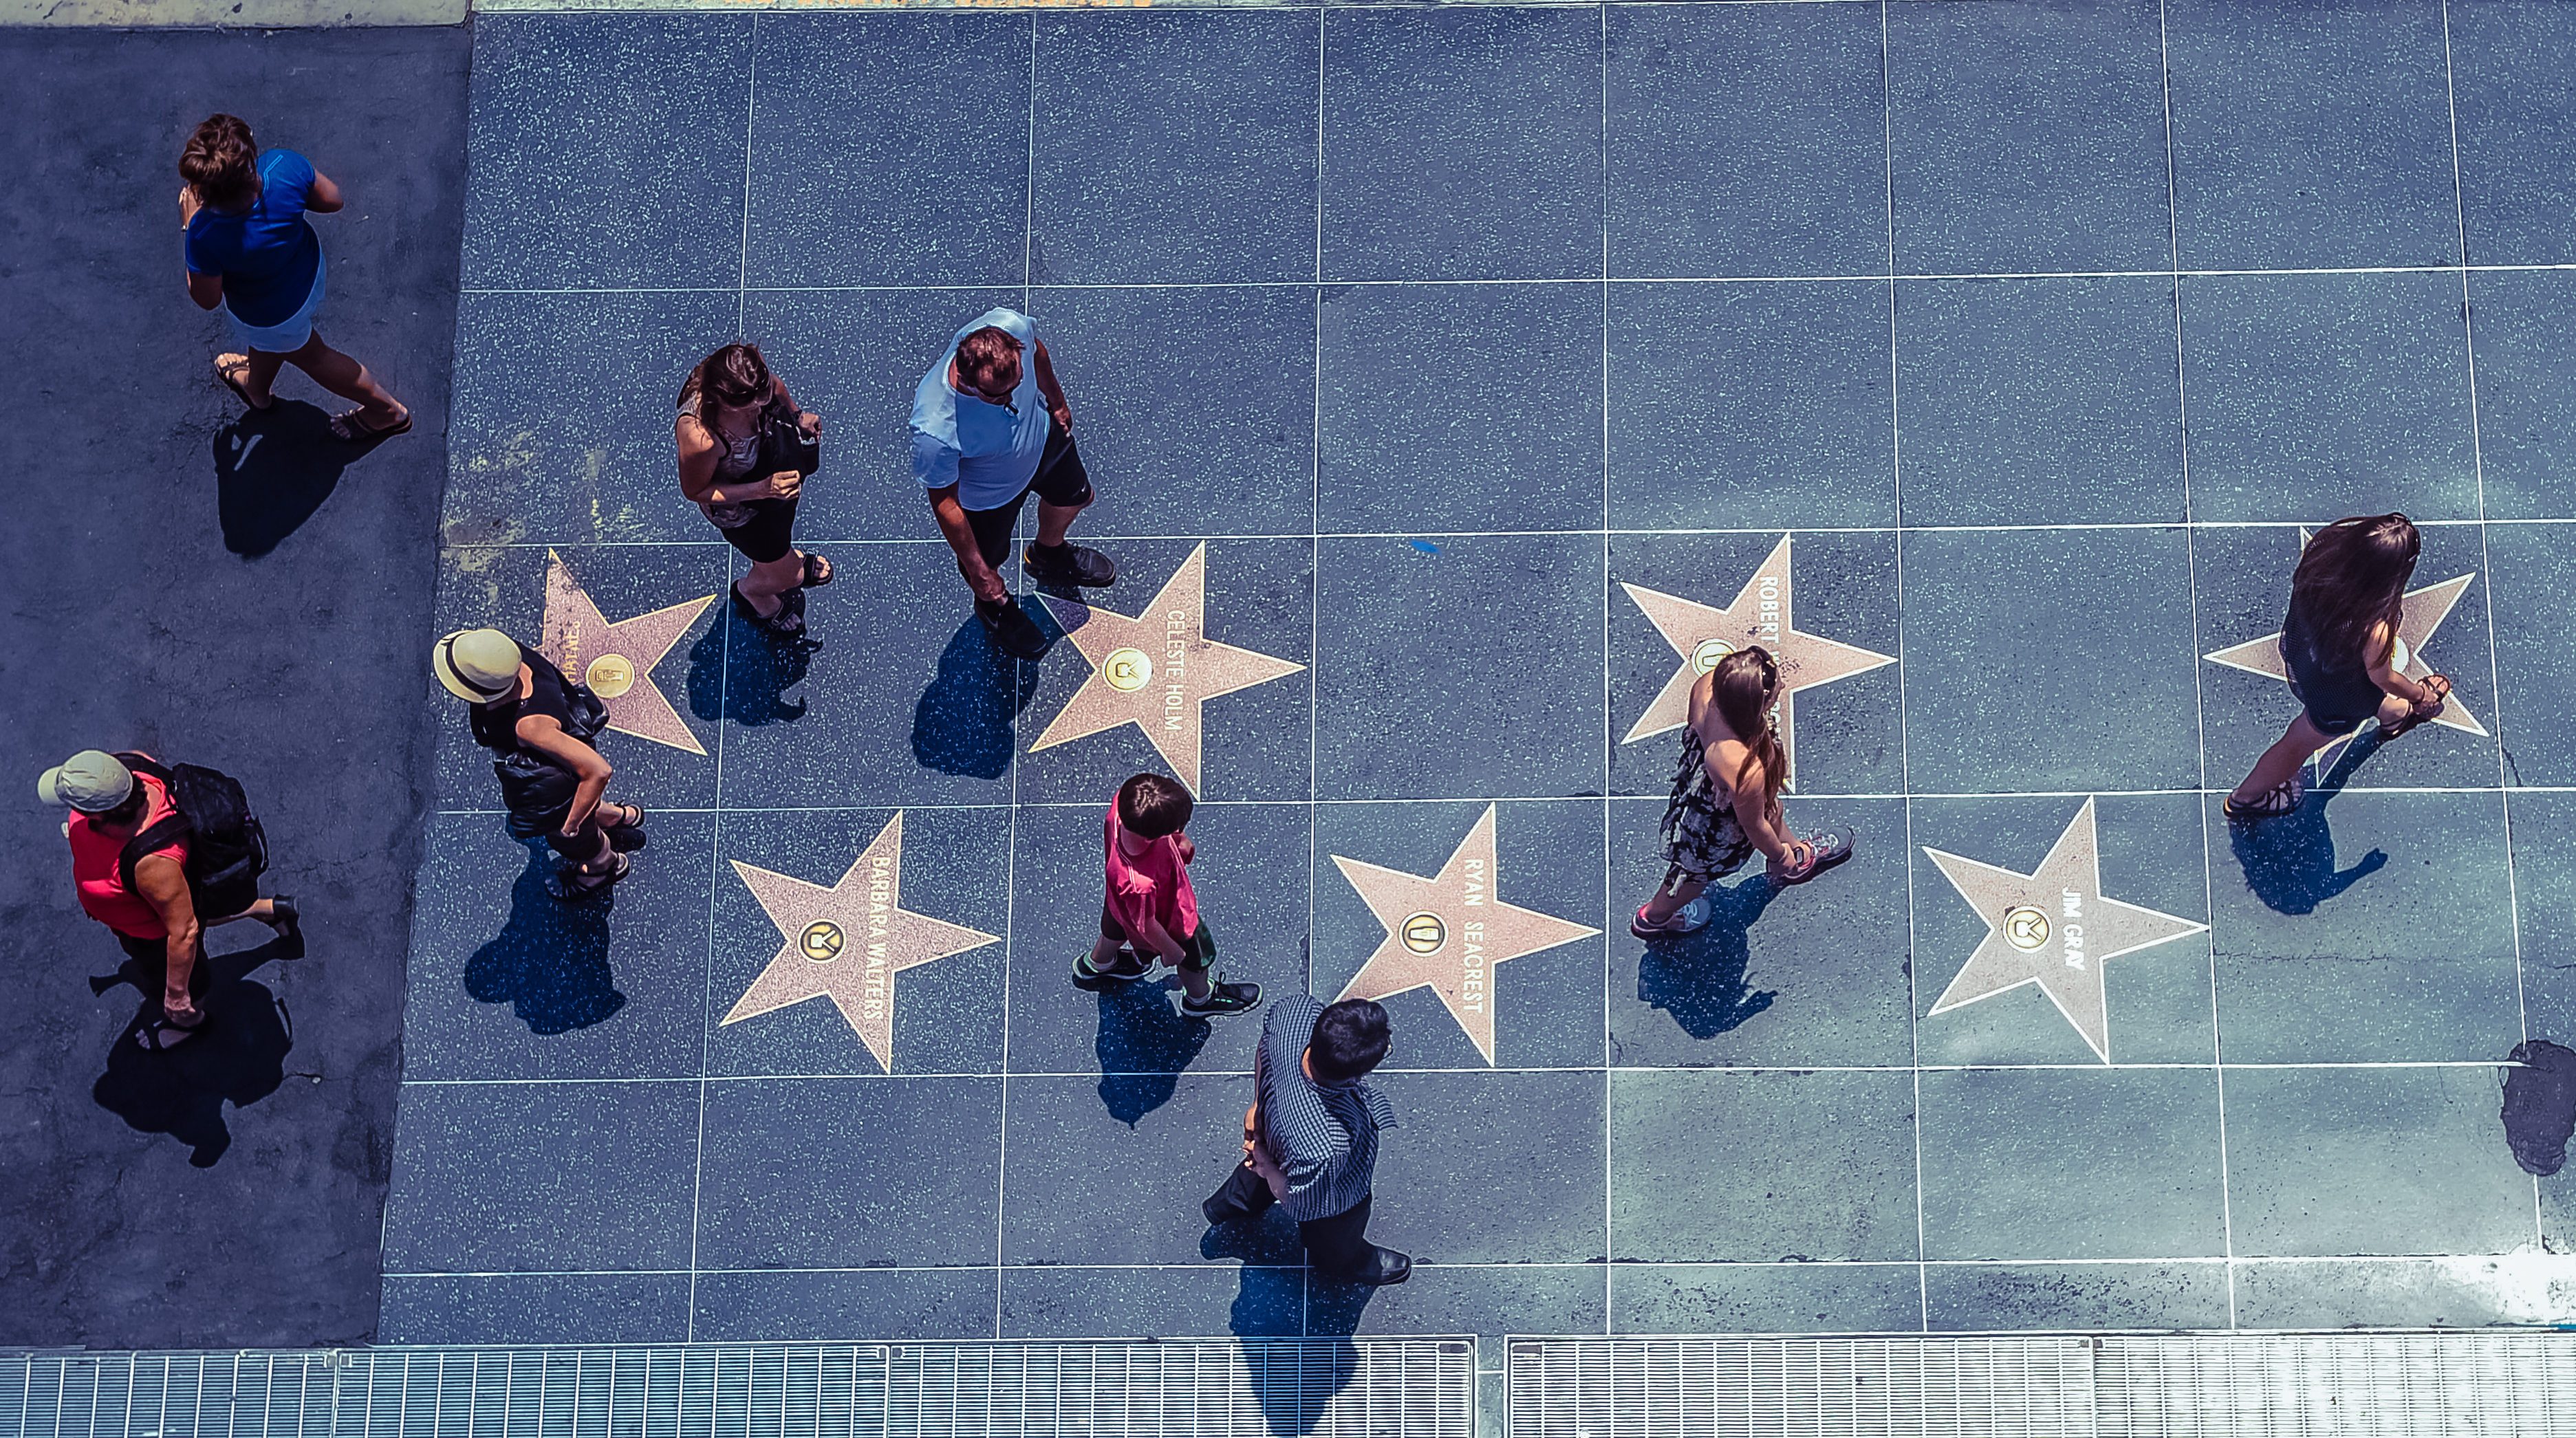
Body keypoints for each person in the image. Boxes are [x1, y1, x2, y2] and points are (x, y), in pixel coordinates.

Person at [41, 750, 299, 1051]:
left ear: (97, 815)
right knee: (191, 912)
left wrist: (177, 995)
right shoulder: (131, 764)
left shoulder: (152, 866)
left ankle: (191, 1024)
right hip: (157, 902)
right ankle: (269, 911)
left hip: (152, 936)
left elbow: (185, 931)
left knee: (191, 977)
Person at [180, 113, 409, 442]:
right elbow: (332, 200)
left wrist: (190, 225)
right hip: (309, 275)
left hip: (270, 315)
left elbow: (207, 299)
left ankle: (387, 411)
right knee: (273, 345)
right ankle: (256, 389)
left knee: (313, 356)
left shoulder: (204, 234)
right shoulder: (282, 167)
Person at [911, 307, 1116, 660]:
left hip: (1043, 443)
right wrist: (978, 572)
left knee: (1076, 498)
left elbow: (1038, 353)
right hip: (989, 498)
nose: (1009, 401)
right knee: (988, 566)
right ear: (966, 378)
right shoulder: (936, 428)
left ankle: (1048, 554)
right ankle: (995, 607)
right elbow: (944, 501)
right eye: (995, 396)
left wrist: (1057, 402)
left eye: (1015, 387)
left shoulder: (1011, 326)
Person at [2225, 513, 2450, 819]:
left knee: (2372, 703)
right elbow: (2382, 677)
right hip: (2339, 697)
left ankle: (2394, 716)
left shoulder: (2321, 548)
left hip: (2304, 656)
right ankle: (2246, 799)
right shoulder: (2375, 626)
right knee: (2299, 743)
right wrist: (2418, 695)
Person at [1631, 645, 1854, 939]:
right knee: (1693, 874)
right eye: (1773, 691)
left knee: (1772, 808)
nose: (1781, 685)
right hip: (1712, 820)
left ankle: (1796, 855)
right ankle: (1653, 919)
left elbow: (1764, 810)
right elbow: (1754, 825)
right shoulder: (1744, 768)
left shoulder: (1708, 685)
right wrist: (1778, 854)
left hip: (1704, 781)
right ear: (1755, 708)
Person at [1202, 995, 1408, 1285]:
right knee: (1334, 1231)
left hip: (1275, 1134)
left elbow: (1265, 1051)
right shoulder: (1328, 1147)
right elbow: (1300, 1203)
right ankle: (1343, 1262)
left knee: (1253, 1176)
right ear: (1356, 1077)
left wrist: (1258, 1105)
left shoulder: (1295, 1013)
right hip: (1318, 1181)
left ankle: (1226, 1207)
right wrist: (1266, 1165)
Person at [433, 627, 643, 896]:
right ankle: (616, 816)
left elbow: (598, 771)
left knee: (572, 838)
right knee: (584, 812)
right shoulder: (510, 656)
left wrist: (571, 826)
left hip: (560, 782)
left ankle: (605, 866)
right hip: (566, 749)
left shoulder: (529, 727)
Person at [1074, 773, 1261, 1017]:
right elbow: (1147, 924)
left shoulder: (1124, 804)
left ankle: (1097, 964)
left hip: (1118, 899)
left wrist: (1177, 838)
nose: (1179, 831)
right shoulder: (1140, 883)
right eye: (1175, 829)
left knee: (1115, 927)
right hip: (1173, 918)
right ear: (1152, 837)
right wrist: (1172, 951)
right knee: (1196, 961)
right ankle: (1200, 999)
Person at [676, 344, 828, 638]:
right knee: (789, 576)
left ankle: (778, 561)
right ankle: (754, 594)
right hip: (744, 512)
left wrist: (797, 416)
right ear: (725, 400)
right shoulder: (701, 436)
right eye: (751, 404)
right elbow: (696, 491)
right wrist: (761, 489)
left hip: (771, 483)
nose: (762, 405)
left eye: (763, 397)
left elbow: (774, 387)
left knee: (779, 544)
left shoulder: (748, 376)